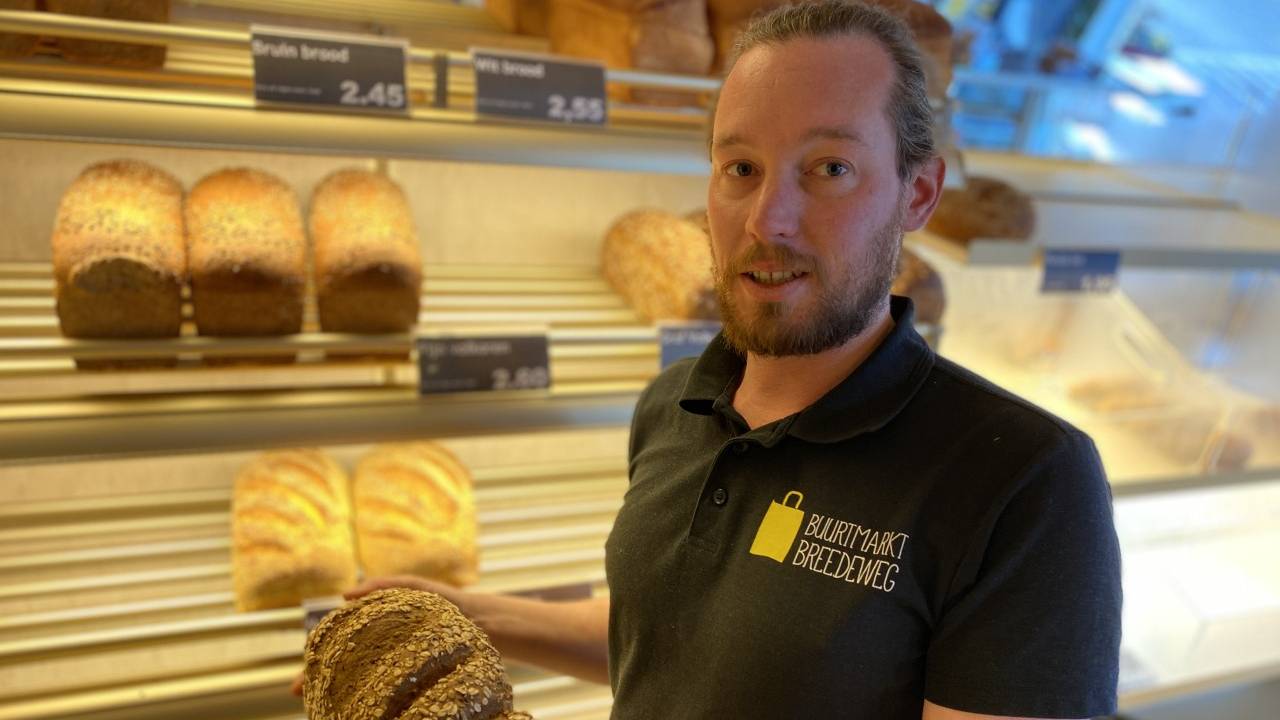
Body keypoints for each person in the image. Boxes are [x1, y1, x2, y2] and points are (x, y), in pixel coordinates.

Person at [297, 2, 1122, 717]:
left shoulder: (1025, 483)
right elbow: (673, 632)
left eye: (829, 169)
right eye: (741, 168)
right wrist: (471, 614)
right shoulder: (676, 406)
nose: (768, 219)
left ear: (919, 193)